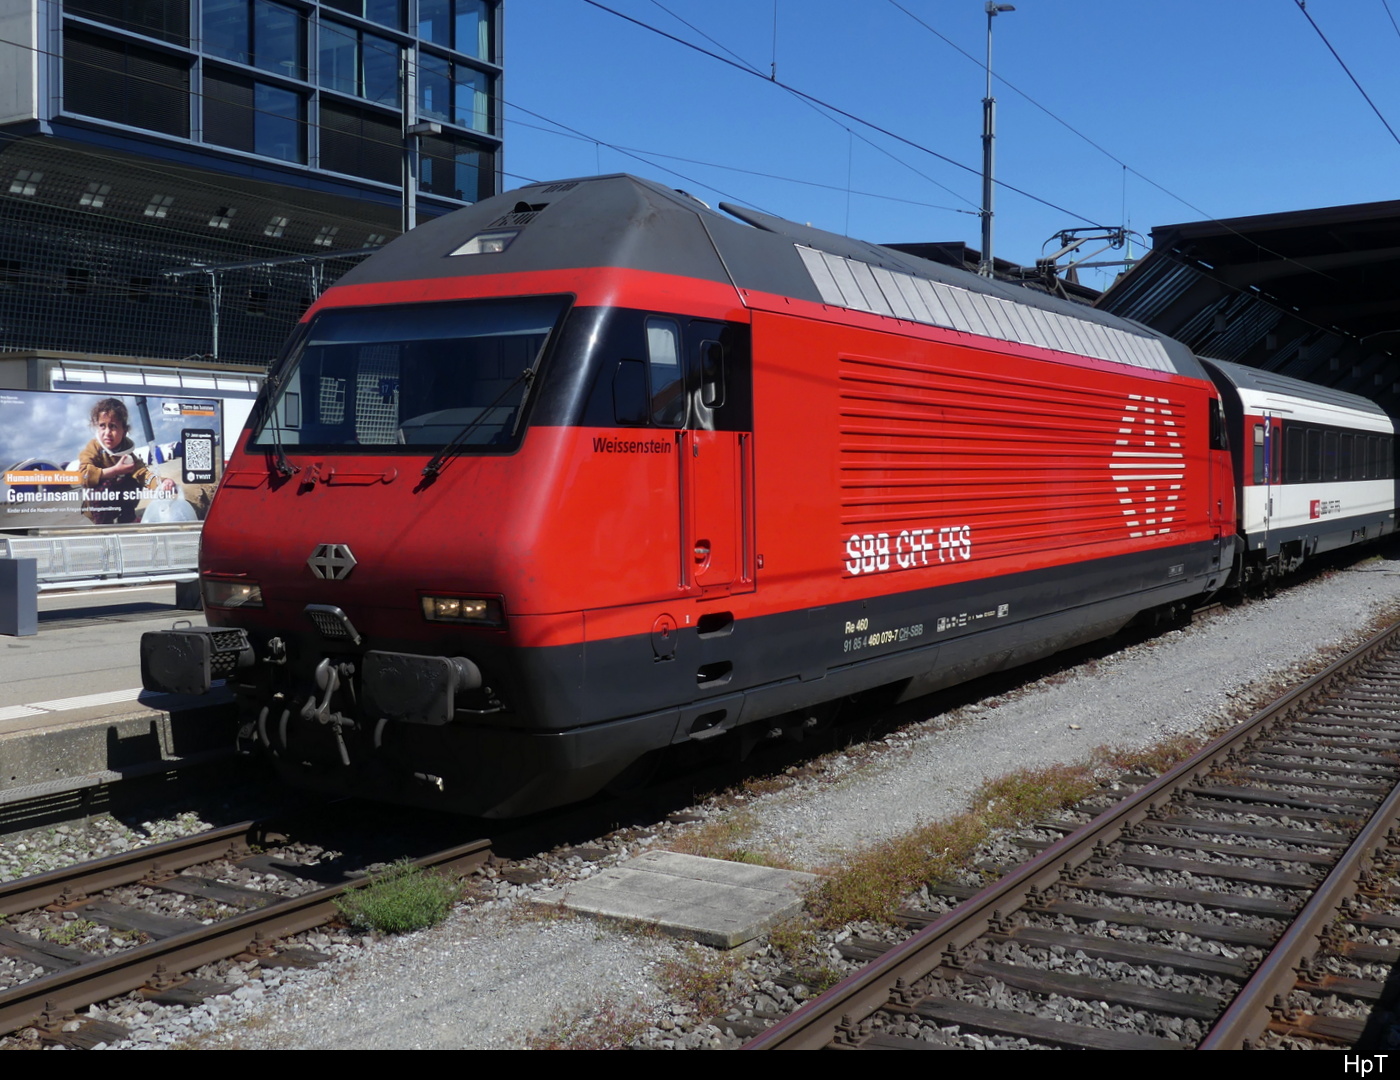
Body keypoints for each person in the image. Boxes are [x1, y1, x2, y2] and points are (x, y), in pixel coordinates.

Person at [76, 398, 176, 524]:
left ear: (124, 431)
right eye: (102, 426)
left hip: (117, 502)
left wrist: (162, 482)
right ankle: (105, 528)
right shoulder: (93, 448)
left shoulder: (127, 453)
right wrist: (114, 471)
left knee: (133, 480)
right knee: (105, 486)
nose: (107, 433)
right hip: (97, 507)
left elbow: (143, 474)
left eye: (113, 426)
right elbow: (83, 475)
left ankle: (127, 519)